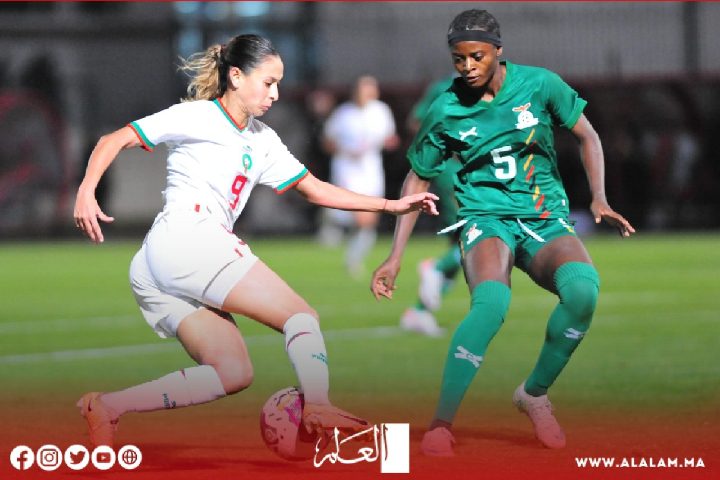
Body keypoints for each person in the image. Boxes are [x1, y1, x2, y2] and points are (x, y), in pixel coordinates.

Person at [73, 34, 438, 448]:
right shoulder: (197, 116)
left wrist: (391, 205)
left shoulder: (262, 140)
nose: (276, 94)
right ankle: (317, 406)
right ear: (235, 76)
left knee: (232, 373)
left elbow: (315, 189)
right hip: (190, 239)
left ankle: (107, 407)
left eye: (279, 83)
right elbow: (113, 139)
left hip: (159, 262)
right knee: (302, 317)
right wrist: (86, 191)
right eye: (268, 83)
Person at [370, 9, 635, 456]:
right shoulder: (446, 108)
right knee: (491, 304)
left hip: (542, 215)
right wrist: (395, 255)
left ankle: (533, 394)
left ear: (498, 51)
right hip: (483, 216)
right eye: (458, 59)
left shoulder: (540, 84)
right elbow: (416, 178)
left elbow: (587, 136)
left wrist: (599, 198)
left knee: (584, 293)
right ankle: (441, 425)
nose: (467, 67)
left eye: (476, 56)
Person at [316, 75, 400, 278]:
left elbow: (391, 138)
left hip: (371, 170)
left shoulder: (381, 111)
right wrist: (346, 150)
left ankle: (353, 257)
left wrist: (386, 142)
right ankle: (334, 219)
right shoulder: (344, 114)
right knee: (361, 217)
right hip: (347, 170)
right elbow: (327, 142)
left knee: (369, 219)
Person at [400, 74, 463, 337]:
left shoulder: (493, 87)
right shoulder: (444, 87)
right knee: (476, 233)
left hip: (467, 167)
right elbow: (415, 121)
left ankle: (418, 313)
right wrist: (441, 147)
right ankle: (434, 267)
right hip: (450, 166)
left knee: (463, 252)